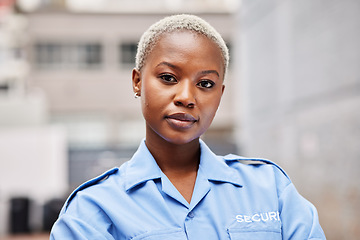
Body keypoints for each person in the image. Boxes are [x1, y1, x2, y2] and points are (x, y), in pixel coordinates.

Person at [50, 14, 326, 239]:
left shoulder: (270, 187)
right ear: (137, 81)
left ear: (220, 93)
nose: (186, 97)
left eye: (205, 84)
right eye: (168, 77)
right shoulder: (92, 211)